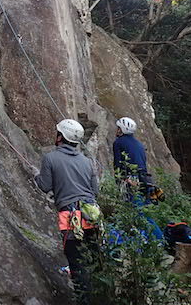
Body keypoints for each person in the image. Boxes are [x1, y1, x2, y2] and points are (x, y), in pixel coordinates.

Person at [34, 119, 101, 304]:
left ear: (60, 137)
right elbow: (95, 191)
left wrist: (36, 176)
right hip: (92, 214)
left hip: (71, 217)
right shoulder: (87, 162)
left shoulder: (50, 158)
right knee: (94, 259)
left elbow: (44, 186)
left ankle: (84, 300)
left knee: (76, 261)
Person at [112, 117, 151, 190]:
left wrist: (118, 179)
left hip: (129, 178)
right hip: (144, 178)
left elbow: (117, 163)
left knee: (129, 199)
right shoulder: (140, 144)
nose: (117, 130)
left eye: (118, 128)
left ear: (122, 129)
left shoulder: (118, 142)